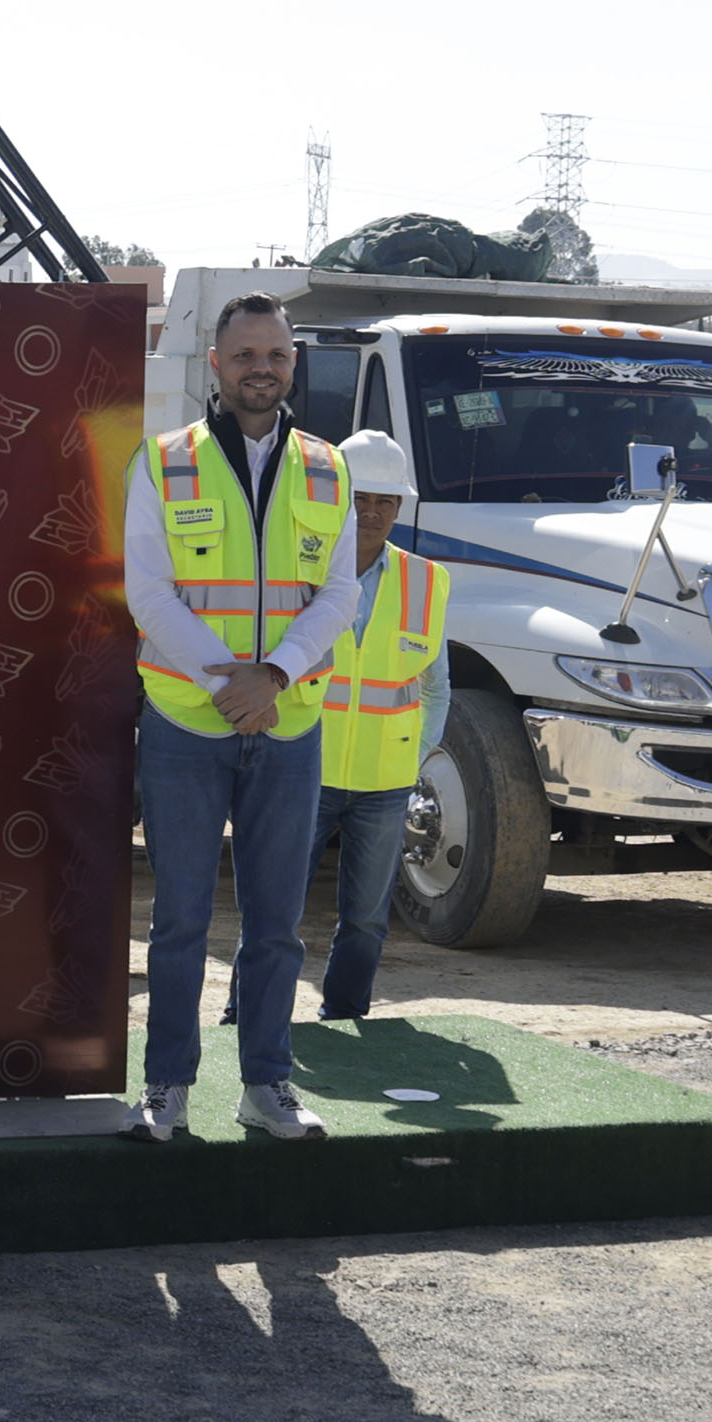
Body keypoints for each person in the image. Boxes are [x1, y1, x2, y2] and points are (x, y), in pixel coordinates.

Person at [124, 292, 361, 1144]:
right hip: (186, 725)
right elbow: (147, 591)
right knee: (180, 921)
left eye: (277, 355)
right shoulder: (163, 462)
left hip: (288, 725)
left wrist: (274, 677)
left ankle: (266, 1085)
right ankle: (166, 1087)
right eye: (245, 355)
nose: (262, 368)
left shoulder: (329, 469)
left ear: (292, 364)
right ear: (216, 366)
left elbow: (338, 595)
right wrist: (227, 683)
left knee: (276, 927)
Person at [309, 429, 451, 1020]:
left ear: (399, 507)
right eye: (360, 497)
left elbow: (436, 687)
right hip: (303, 772)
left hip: (385, 783)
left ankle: (344, 1018)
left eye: (384, 502)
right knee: (275, 913)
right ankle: (247, 1018)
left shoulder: (426, 581)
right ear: (337, 497)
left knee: (366, 919)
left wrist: (413, 755)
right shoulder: (302, 567)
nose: (371, 512)